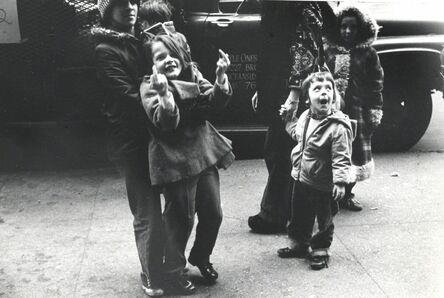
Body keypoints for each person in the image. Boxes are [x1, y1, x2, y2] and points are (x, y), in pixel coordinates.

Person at [140, 34, 234, 294]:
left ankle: (201, 257)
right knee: (180, 220)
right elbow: (165, 123)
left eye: (172, 54)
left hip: (202, 153)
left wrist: (220, 77)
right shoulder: (149, 86)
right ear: (152, 64)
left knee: (213, 212)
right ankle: (173, 271)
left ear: (182, 55)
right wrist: (164, 94)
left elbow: (215, 102)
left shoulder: (192, 72)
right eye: (160, 57)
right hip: (174, 161)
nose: (168, 60)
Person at [91, 0, 164, 296]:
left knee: (176, 208)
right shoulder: (105, 49)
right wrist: (164, 102)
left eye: (133, 1)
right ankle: (151, 273)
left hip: (160, 132)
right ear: (108, 11)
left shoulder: (148, 38)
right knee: (148, 211)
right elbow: (125, 95)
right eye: (120, 3)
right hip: (133, 139)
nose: (129, 8)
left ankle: (173, 266)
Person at [248, 1, 336, 234]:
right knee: (280, 149)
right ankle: (290, 209)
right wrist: (263, 89)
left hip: (290, 87)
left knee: (280, 150)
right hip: (278, 84)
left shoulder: (299, 4)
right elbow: (272, 46)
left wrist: (294, 95)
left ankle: (275, 214)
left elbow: (306, 48)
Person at [277, 72, 356, 270]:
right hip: (301, 177)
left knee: (324, 220)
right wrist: (287, 119)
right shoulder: (305, 117)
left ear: (334, 97)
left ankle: (320, 250)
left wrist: (340, 182)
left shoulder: (338, 127)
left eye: (328, 89)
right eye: (317, 89)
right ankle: (299, 245)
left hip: (323, 183)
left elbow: (342, 158)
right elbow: (297, 135)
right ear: (307, 98)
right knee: (299, 215)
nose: (324, 93)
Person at [324, 4, 384, 211]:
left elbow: (375, 83)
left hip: (356, 112)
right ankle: (329, 194)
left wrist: (374, 109)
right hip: (331, 112)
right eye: (343, 27)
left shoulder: (368, 54)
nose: (347, 31)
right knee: (331, 151)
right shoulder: (328, 51)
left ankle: (348, 193)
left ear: (362, 30)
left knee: (354, 153)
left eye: (353, 28)